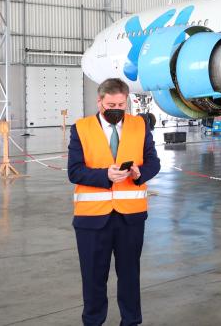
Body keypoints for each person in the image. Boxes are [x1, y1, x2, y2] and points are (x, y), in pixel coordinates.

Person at [68, 78, 161, 326]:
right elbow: (74, 171)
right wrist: (104, 176)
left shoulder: (139, 126)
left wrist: (140, 173)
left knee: (130, 276)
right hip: (91, 219)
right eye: (111, 104)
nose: (117, 109)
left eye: (121, 104)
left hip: (130, 217)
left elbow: (154, 162)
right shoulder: (81, 128)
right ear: (99, 102)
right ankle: (93, 322)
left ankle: (131, 322)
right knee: (93, 278)